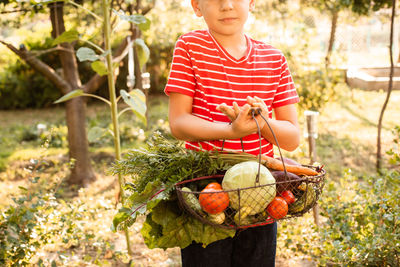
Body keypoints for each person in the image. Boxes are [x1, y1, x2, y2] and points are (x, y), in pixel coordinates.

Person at [164, 0, 300, 266]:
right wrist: (231, 130)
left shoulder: (274, 58)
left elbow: (292, 138)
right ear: (197, 6)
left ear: (251, 3)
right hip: (206, 192)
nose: (226, 5)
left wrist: (262, 123)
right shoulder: (190, 47)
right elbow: (179, 123)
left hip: (261, 194)